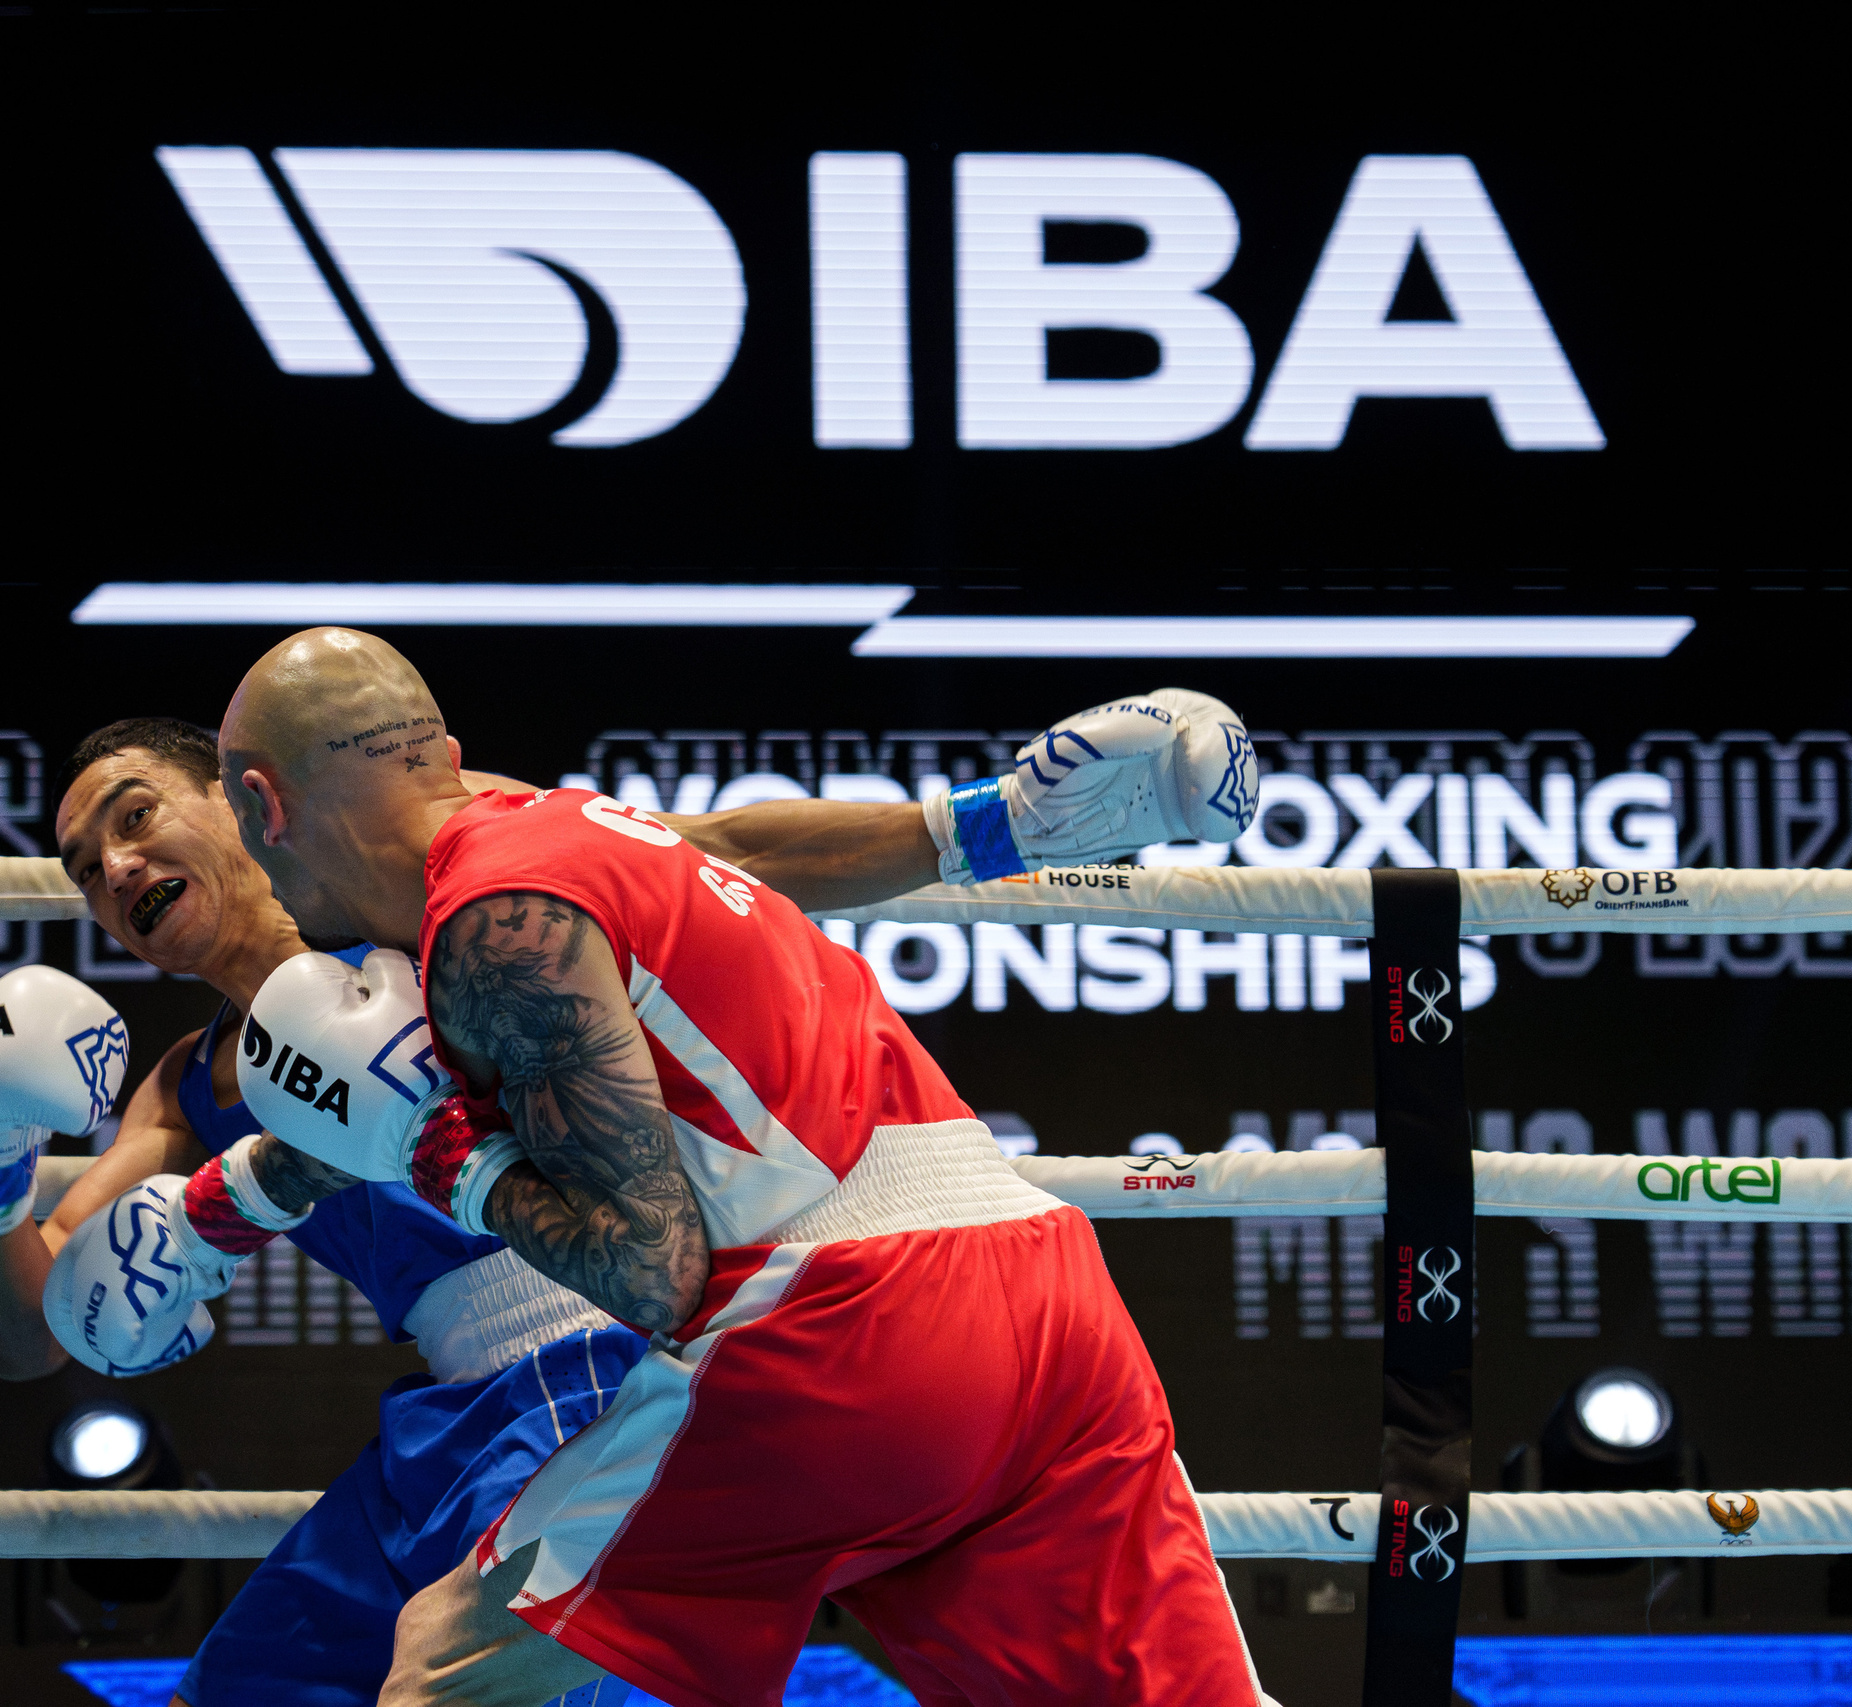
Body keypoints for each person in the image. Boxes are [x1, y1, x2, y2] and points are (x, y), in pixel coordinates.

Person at [0, 712, 1163, 1707]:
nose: (113, 869)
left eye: (135, 816)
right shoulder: (184, 1086)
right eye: (83, 869)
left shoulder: (441, 874)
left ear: (243, 801)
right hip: (440, 1430)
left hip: (618, 1347)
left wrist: (985, 826)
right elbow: (30, 1334)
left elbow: (720, 850)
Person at [214, 630, 1270, 1707]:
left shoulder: (493, 930)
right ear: (441, 753)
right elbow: (738, 846)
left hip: (851, 1336)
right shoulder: (578, 822)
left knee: (451, 1666)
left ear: (262, 809)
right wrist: (992, 824)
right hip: (1048, 1307)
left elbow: (648, 1273)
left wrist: (444, 1157)